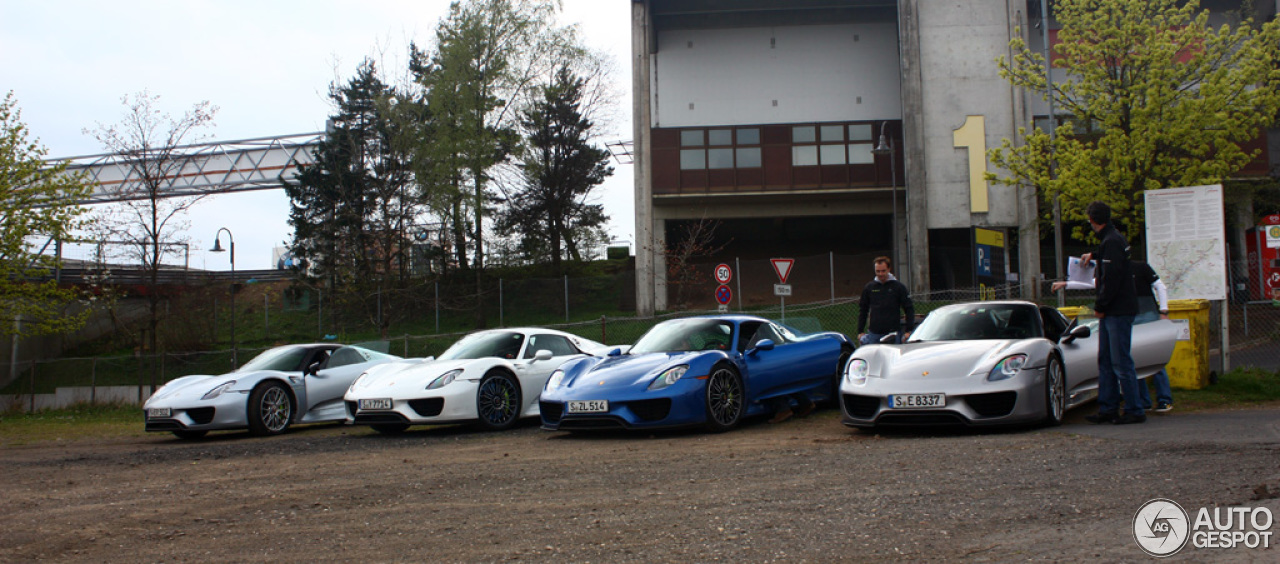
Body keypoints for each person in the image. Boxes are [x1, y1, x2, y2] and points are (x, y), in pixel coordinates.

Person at [1052, 260, 1174, 413]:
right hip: (1129, 316)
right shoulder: (1112, 272)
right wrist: (1066, 284)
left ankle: (1164, 399)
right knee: (1135, 359)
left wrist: (1163, 311)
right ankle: (1143, 401)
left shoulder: (1140, 267)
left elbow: (1160, 286)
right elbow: (1092, 283)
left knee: (1153, 357)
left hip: (1146, 315)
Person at [1080, 201, 1143, 424]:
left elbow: (1112, 278)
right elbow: (1112, 261)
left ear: (1093, 220)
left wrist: (1100, 306)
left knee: (1119, 361)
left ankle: (1134, 409)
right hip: (1116, 310)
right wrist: (1094, 254)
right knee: (1106, 359)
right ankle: (1108, 407)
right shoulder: (1112, 240)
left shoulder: (1112, 241)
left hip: (1117, 310)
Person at [856, 256, 914, 346]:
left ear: (889, 269)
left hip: (893, 333)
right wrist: (860, 331)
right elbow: (863, 309)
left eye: (883, 271)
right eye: (878, 271)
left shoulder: (898, 287)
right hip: (874, 333)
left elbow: (909, 308)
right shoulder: (869, 287)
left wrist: (908, 330)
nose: (880, 274)